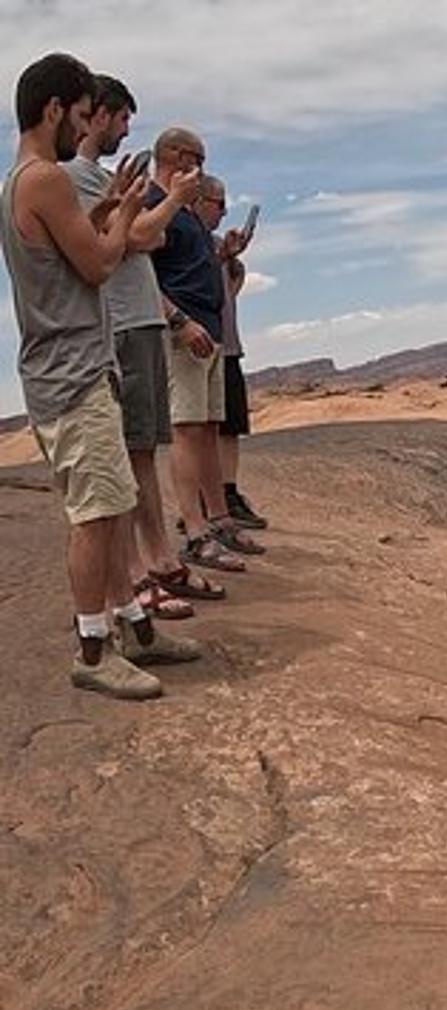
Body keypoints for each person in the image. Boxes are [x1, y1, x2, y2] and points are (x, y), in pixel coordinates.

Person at [3, 53, 200, 698]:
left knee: (111, 505)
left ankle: (136, 627)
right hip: (72, 372)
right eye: (83, 115)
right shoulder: (48, 178)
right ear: (56, 109)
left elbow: (69, 250)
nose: (85, 127)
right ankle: (93, 648)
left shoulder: (21, 182)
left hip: (68, 369)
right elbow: (99, 265)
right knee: (95, 513)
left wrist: (110, 204)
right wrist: (128, 211)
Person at [62, 74, 221, 617]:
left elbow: (147, 237)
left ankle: (158, 559)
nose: (126, 129)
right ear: (97, 114)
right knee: (126, 456)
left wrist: (146, 216)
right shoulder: (74, 178)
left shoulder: (101, 179)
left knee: (142, 452)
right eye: (121, 117)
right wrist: (171, 200)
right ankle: (135, 573)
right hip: (124, 325)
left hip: (140, 325)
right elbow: (134, 238)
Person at [147, 125, 261, 574]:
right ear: (175, 155)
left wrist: (222, 256)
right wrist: (179, 320)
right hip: (186, 332)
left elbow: (187, 267)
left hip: (210, 331)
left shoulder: (185, 211)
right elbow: (145, 277)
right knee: (188, 428)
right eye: (198, 158)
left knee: (209, 427)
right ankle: (195, 531)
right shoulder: (158, 204)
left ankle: (219, 519)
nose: (201, 168)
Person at [210, 176, 263, 530]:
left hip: (228, 345)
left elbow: (230, 289)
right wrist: (222, 256)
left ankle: (227, 492)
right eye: (218, 203)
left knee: (230, 427)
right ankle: (205, 499)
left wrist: (232, 261)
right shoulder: (188, 240)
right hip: (204, 346)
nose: (225, 211)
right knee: (202, 429)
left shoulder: (216, 245)